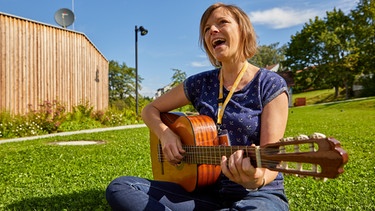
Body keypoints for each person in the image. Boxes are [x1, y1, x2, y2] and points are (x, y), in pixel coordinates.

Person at [106, 2, 289, 210]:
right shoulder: (200, 83)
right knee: (121, 187)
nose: (212, 30)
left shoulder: (269, 84)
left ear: (242, 29)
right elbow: (149, 110)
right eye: (206, 29)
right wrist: (166, 135)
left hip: (258, 195)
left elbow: (271, 162)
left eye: (222, 22)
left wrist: (256, 179)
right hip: (205, 191)